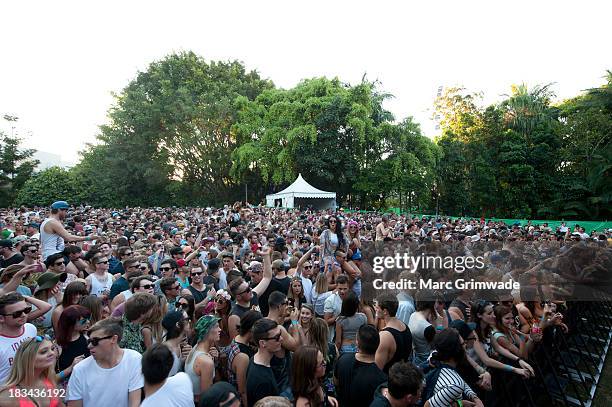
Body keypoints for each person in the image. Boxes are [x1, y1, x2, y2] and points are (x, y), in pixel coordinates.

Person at [66, 318, 144, 407]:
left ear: (113, 339)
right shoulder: (80, 370)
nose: (89, 346)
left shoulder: (134, 359)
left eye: (95, 341)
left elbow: (134, 403)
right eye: (89, 341)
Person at [422, 329, 484, 407]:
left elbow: (459, 382)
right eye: (462, 344)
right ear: (456, 351)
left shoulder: (437, 359)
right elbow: (427, 406)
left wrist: (475, 398)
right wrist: (459, 404)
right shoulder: (455, 385)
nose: (465, 346)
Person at [0, 335, 63, 407]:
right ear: (28, 359)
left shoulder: (49, 378)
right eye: (43, 352)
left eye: (52, 349)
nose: (52, 353)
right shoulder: (6, 397)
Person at [335, 324, 387, 407]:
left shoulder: (342, 359)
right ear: (378, 344)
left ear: (357, 343)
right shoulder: (381, 378)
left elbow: (335, 383)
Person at [228, 248, 273, 339]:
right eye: (247, 290)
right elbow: (236, 342)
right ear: (239, 297)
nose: (251, 289)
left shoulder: (253, 295)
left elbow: (267, 277)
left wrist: (266, 256)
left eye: (249, 287)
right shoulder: (235, 316)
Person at [0, 292, 39, 384]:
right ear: (1, 318)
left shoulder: (31, 329)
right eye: (17, 313)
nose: (23, 315)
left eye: (26, 310)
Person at [185, 314, 221, 404]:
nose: (220, 330)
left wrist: (216, 361)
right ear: (207, 332)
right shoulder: (205, 361)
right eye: (216, 327)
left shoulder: (196, 347)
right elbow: (207, 399)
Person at [246, 318, 282, 407]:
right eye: (277, 337)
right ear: (263, 343)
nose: (281, 339)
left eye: (280, 334)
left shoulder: (254, 359)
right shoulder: (262, 381)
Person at [374, 293, 413, 374]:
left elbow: (377, 369)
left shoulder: (384, 336)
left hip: (390, 382)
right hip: (404, 378)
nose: (375, 309)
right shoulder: (405, 327)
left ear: (385, 311)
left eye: (377, 307)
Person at [55, 305, 91, 378]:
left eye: (88, 319)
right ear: (70, 324)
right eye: (83, 321)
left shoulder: (88, 340)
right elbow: (52, 378)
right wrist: (71, 368)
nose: (88, 322)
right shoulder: (56, 346)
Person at [161, 311, 192, 377]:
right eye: (186, 320)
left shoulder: (178, 345)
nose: (189, 321)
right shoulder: (166, 350)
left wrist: (184, 359)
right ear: (178, 325)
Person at [323, 274, 350, 342]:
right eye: (340, 289)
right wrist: (340, 315)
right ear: (336, 287)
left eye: (345, 289)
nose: (342, 291)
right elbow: (326, 322)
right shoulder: (330, 300)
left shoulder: (352, 298)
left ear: (349, 287)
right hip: (334, 337)